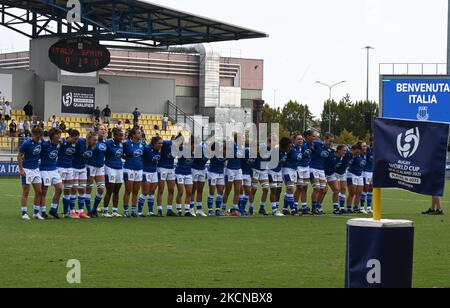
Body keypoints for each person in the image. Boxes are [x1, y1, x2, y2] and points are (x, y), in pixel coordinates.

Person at [17, 127, 44, 220]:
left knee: (39, 191)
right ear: (32, 135)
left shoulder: (41, 142)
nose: (38, 139)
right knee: (26, 191)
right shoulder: (26, 143)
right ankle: (24, 213)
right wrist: (21, 170)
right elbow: (19, 156)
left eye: (40, 137)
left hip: (36, 169)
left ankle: (36, 213)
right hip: (27, 169)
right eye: (37, 137)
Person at [71, 131, 99, 219]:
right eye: (94, 140)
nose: (96, 142)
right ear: (89, 138)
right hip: (73, 168)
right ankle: (71, 211)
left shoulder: (93, 147)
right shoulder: (80, 142)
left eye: (96, 140)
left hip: (83, 168)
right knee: (74, 189)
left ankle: (81, 211)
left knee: (82, 189)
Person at [40, 128, 64, 220]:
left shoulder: (60, 144)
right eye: (58, 134)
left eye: (60, 134)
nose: (59, 136)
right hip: (44, 169)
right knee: (44, 191)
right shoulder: (45, 144)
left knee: (59, 188)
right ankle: (43, 212)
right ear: (53, 135)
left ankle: (53, 209)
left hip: (54, 169)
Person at [57, 129, 80, 219]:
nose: (76, 140)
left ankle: (66, 212)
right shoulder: (62, 143)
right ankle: (54, 209)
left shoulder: (76, 144)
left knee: (68, 190)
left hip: (70, 168)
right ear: (70, 137)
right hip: (61, 167)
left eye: (77, 139)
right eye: (75, 139)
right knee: (59, 189)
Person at [309, 133, 334, 215]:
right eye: (330, 141)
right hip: (313, 167)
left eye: (332, 141)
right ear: (325, 139)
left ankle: (318, 206)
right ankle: (313, 208)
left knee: (323, 190)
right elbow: (310, 145)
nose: (331, 143)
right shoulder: (317, 144)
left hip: (321, 170)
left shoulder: (329, 150)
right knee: (317, 188)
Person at [86, 124, 108, 218]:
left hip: (100, 167)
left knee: (101, 189)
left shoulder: (105, 142)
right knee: (89, 189)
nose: (103, 131)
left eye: (104, 129)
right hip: (91, 166)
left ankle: (94, 209)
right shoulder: (92, 140)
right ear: (97, 130)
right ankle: (88, 210)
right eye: (101, 129)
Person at [122, 127, 144, 217]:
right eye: (138, 133)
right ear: (133, 135)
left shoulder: (142, 144)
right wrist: (128, 159)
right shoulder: (127, 144)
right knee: (128, 190)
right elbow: (121, 153)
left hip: (139, 169)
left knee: (136, 191)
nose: (140, 134)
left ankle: (134, 210)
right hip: (129, 168)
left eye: (140, 133)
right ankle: (126, 210)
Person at [139, 136, 163, 217]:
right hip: (146, 172)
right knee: (145, 192)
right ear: (154, 143)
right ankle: (139, 211)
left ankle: (151, 211)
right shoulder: (146, 149)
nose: (161, 145)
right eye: (159, 143)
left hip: (154, 172)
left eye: (161, 143)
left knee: (152, 192)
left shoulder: (159, 151)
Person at [104, 128, 125, 217]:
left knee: (117, 190)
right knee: (110, 190)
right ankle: (105, 211)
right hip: (110, 168)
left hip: (119, 168)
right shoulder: (108, 143)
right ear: (114, 135)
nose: (121, 137)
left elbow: (122, 155)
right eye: (119, 136)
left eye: (122, 136)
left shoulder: (121, 144)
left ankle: (115, 211)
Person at [223, 133, 244, 217]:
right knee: (227, 191)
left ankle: (235, 209)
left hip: (238, 170)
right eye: (242, 138)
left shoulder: (242, 148)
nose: (243, 140)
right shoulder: (231, 146)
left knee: (238, 190)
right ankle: (223, 209)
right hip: (230, 170)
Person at [268, 136, 289, 217]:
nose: (289, 148)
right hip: (271, 171)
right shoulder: (275, 150)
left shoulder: (285, 152)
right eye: (288, 146)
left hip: (279, 172)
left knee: (279, 190)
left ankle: (276, 208)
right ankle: (274, 210)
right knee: (273, 190)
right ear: (285, 145)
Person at [175, 135, 195, 217]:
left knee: (189, 192)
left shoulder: (196, 152)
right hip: (179, 172)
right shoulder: (182, 149)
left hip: (188, 173)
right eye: (194, 145)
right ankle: (179, 210)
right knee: (180, 192)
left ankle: (187, 210)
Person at [282, 133, 302, 216]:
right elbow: (284, 156)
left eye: (301, 139)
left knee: (289, 190)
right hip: (287, 169)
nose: (301, 141)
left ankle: (285, 209)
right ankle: (293, 209)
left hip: (294, 170)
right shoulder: (291, 148)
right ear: (294, 140)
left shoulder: (299, 149)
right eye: (298, 139)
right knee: (290, 188)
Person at [158, 137, 177, 217]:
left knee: (171, 190)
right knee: (161, 190)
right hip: (162, 168)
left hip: (171, 168)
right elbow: (160, 141)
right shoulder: (167, 143)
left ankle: (169, 209)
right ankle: (159, 209)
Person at [207, 142, 226, 216]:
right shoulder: (212, 154)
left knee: (220, 191)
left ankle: (218, 209)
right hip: (213, 173)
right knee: (212, 191)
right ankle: (210, 210)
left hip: (221, 173)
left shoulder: (224, 153)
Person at [346, 143, 366, 214]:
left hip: (360, 175)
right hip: (352, 174)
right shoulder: (351, 156)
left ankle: (355, 207)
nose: (357, 153)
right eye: (356, 151)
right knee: (352, 192)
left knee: (359, 193)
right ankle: (348, 207)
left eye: (358, 151)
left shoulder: (363, 155)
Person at [191, 138, 209, 217]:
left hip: (202, 169)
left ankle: (199, 209)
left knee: (200, 190)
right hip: (194, 169)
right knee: (193, 190)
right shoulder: (198, 148)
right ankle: (191, 208)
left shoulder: (208, 148)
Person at [334, 145, 352, 213]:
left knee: (344, 189)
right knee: (337, 189)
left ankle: (341, 207)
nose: (345, 152)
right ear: (339, 150)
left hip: (343, 173)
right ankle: (335, 207)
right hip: (335, 173)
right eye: (344, 150)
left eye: (345, 150)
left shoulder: (347, 155)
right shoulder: (335, 156)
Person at [361, 138, 374, 213]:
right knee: (365, 188)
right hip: (366, 171)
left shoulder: (378, 149)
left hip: (372, 171)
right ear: (371, 141)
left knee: (371, 188)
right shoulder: (368, 149)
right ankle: (362, 207)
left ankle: (369, 207)